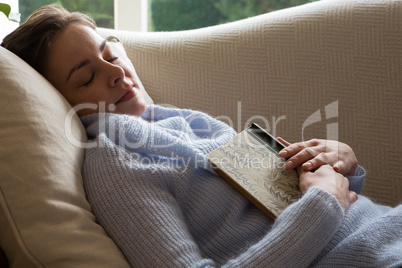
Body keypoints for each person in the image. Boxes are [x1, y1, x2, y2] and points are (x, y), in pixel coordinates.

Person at [2, 5, 401, 267]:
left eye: (111, 54)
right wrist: (323, 204)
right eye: (87, 77)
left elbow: (303, 198)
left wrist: (338, 165)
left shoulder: (185, 122)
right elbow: (320, 210)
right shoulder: (116, 164)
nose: (116, 73)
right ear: (59, 100)